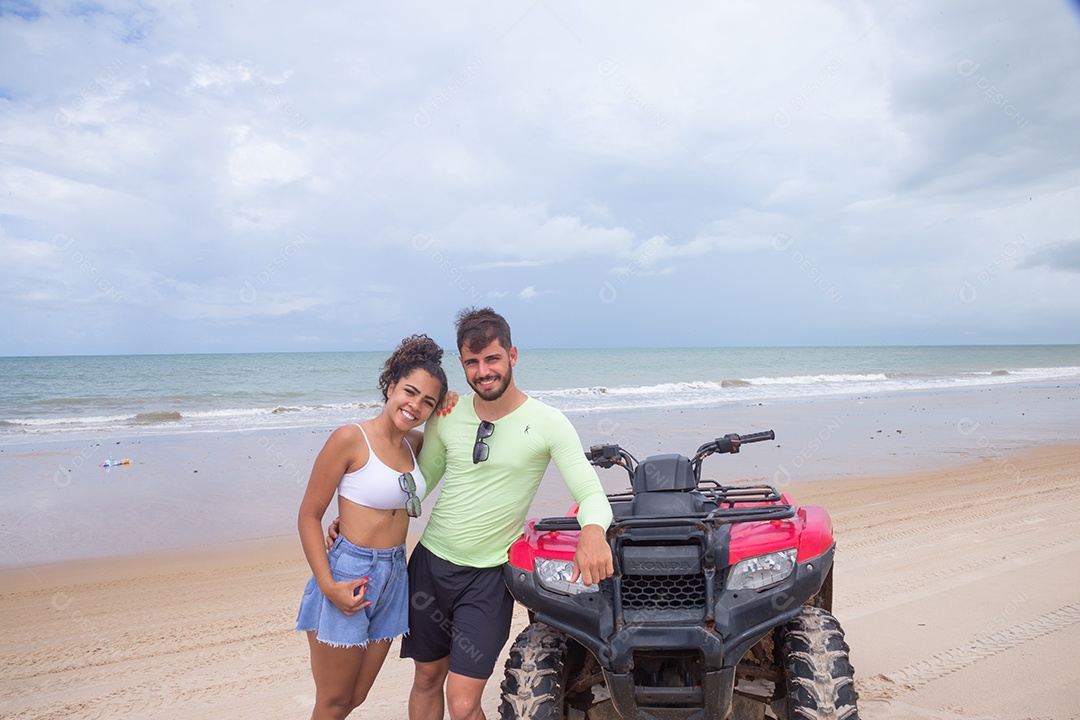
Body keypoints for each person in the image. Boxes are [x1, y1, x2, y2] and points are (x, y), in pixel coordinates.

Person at [405, 307, 614, 720]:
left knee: (463, 704)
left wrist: (592, 531)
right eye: (472, 362)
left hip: (487, 580)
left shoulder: (548, 422)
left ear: (512, 355)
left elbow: (591, 492)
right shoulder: (446, 415)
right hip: (430, 567)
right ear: (461, 364)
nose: (483, 371)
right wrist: (361, 512)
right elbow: (418, 485)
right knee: (426, 679)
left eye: (492, 359)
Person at [295, 334, 449, 720]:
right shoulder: (351, 438)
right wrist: (329, 585)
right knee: (332, 703)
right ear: (391, 384)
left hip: (396, 575)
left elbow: (453, 433)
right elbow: (308, 517)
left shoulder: (415, 444)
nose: (415, 406)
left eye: (428, 401)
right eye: (409, 392)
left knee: (355, 698)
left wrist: (451, 403)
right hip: (350, 572)